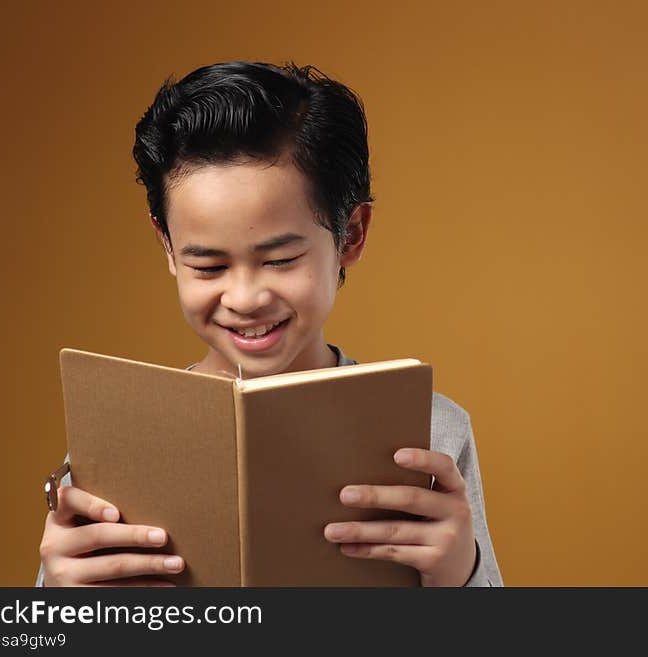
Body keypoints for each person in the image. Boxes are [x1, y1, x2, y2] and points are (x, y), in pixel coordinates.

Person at [36, 61, 502, 587]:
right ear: (167, 245)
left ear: (350, 234)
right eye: (208, 266)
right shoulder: (114, 447)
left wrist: (462, 573)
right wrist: (60, 601)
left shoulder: (434, 429)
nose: (245, 298)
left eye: (280, 260)